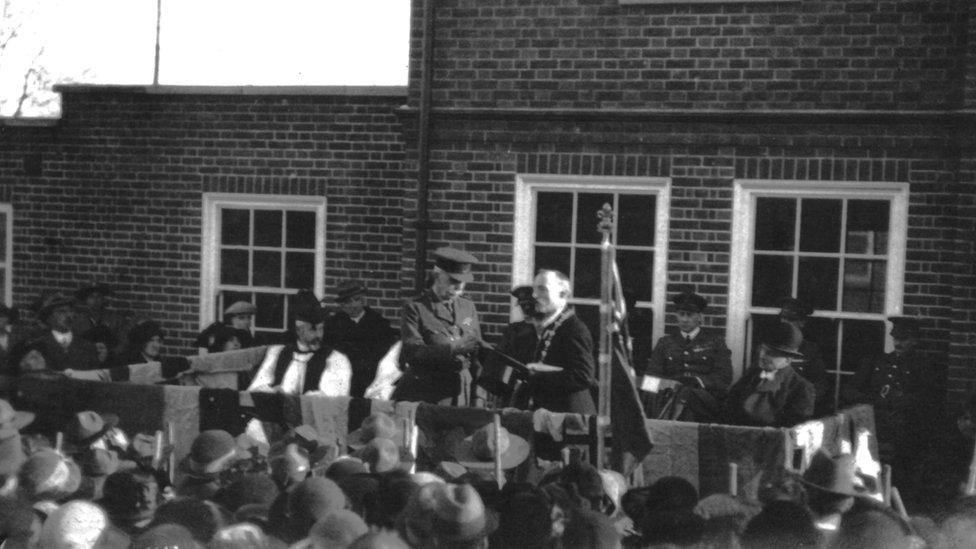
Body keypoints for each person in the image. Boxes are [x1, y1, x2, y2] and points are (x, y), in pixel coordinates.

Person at [846, 316, 935, 480]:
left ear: (915, 341)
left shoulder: (923, 367)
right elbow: (851, 390)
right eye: (896, 338)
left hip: (903, 429)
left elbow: (926, 401)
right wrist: (871, 401)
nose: (898, 343)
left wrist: (898, 402)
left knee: (896, 475)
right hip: (872, 424)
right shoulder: (878, 361)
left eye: (904, 339)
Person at [394, 247, 484, 406]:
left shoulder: (467, 307)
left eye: (463, 283)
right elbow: (412, 352)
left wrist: (479, 397)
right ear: (437, 275)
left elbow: (477, 357)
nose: (459, 288)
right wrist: (453, 348)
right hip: (428, 394)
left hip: (461, 393)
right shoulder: (416, 307)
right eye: (453, 281)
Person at [644, 291, 732, 422]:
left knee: (688, 397)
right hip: (669, 398)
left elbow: (724, 377)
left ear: (700, 317)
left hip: (703, 401)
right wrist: (668, 385)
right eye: (681, 314)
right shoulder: (665, 343)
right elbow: (650, 379)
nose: (684, 319)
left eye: (689, 315)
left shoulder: (715, 342)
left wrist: (697, 381)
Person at [248, 294, 352, 396]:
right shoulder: (277, 353)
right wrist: (273, 392)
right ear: (298, 330)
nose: (319, 335)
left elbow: (331, 397)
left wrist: (293, 401)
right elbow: (256, 388)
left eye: (321, 329)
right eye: (313, 329)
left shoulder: (336, 359)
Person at [523, 270, 596, 414]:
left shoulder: (574, 329)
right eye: (534, 289)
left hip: (570, 419)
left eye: (542, 289)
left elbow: (583, 376)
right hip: (552, 416)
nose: (534, 295)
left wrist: (539, 375)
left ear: (563, 294)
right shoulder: (554, 326)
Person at [726, 322, 816, 427]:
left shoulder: (801, 387)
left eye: (771, 353)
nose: (762, 355)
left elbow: (793, 431)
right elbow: (730, 408)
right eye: (762, 350)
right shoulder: (751, 376)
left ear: (787, 360)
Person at [324, 280, 398, 398]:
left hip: (369, 382)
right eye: (348, 302)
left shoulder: (379, 324)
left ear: (364, 300)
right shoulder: (333, 325)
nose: (353, 305)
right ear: (342, 305)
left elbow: (384, 357)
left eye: (357, 299)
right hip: (340, 382)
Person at [478, 285, 540, 406]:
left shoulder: (547, 331)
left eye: (530, 305)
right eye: (522, 305)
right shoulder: (513, 330)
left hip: (538, 394)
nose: (526, 309)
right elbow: (499, 362)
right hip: (513, 393)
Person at [777, 297, 830, 414]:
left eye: (790, 320)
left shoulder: (810, 351)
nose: (785, 323)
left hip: (796, 410)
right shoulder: (768, 347)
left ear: (801, 323)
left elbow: (819, 385)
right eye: (782, 318)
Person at [29, 293, 99, 371]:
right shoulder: (38, 347)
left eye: (71, 311)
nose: (69, 316)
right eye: (61, 312)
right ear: (49, 318)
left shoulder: (88, 347)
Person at [70, 282, 130, 356]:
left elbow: (124, 342)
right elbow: (74, 344)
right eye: (91, 297)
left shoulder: (116, 319)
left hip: (111, 359)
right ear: (86, 300)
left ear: (103, 299)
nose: (95, 300)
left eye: (98, 297)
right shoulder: (77, 322)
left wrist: (111, 353)